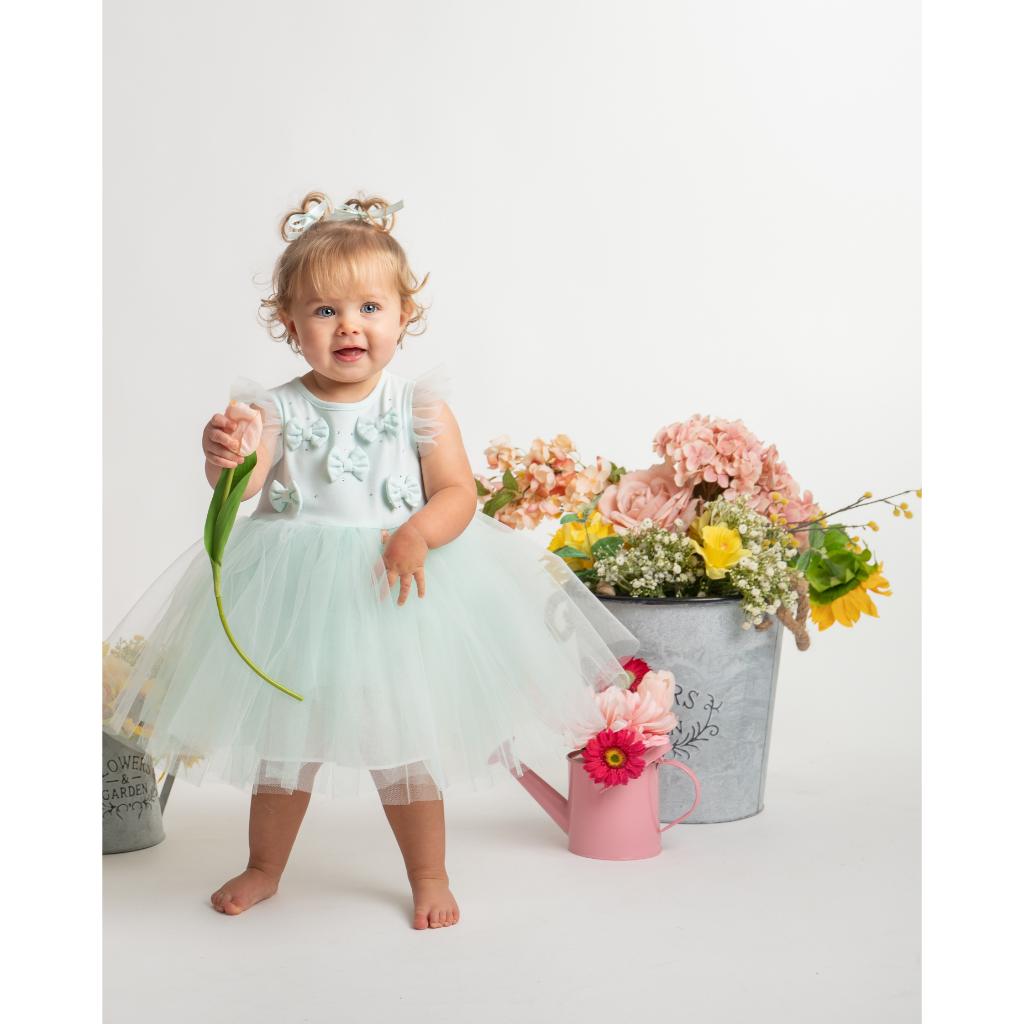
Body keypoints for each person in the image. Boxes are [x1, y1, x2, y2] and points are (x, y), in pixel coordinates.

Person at [102, 191, 640, 929]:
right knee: (286, 747)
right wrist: (224, 453)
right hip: (296, 600)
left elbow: (457, 493)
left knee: (405, 742)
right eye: (323, 311)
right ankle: (265, 866)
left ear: (402, 315)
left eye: (368, 307)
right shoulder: (276, 409)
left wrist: (417, 531)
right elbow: (247, 482)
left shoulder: (417, 407)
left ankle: (428, 875)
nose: (348, 325)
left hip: (396, 593)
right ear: (290, 326)